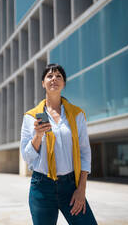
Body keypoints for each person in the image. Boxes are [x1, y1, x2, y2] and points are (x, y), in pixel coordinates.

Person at [20, 63, 98, 225]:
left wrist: (81, 189)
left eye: (58, 76)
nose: (54, 78)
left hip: (70, 186)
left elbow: (85, 152)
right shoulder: (31, 117)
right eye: (49, 76)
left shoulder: (77, 114)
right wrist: (38, 135)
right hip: (41, 188)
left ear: (63, 83)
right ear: (43, 83)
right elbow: (27, 157)